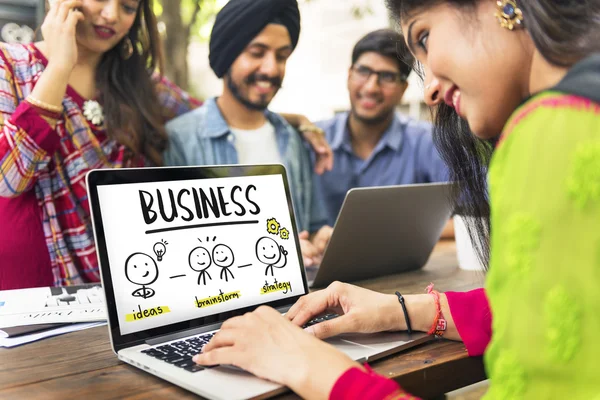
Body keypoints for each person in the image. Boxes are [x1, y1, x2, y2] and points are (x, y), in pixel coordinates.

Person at [191, 1, 600, 399]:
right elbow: (541, 311)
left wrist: (309, 365)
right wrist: (402, 310)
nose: (431, 91)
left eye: (424, 36)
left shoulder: (552, 131)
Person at [0, 0, 203, 290]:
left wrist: (290, 123)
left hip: (126, 290)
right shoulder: (8, 65)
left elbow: (213, 119)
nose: (112, 15)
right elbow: (8, 176)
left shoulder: (142, 86)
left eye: (128, 7)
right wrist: (59, 65)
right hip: (28, 293)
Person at [164, 0, 332, 267]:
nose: (271, 69)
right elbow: (177, 249)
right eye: (257, 52)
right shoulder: (179, 140)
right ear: (228, 55)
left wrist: (322, 236)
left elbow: (311, 223)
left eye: (281, 56)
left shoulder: (293, 137)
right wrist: (280, 252)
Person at [315, 29, 448, 226]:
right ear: (349, 75)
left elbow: (475, 211)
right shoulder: (313, 139)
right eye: (363, 71)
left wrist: (396, 231)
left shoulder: (427, 141)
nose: (371, 88)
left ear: (403, 89)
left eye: (387, 77)